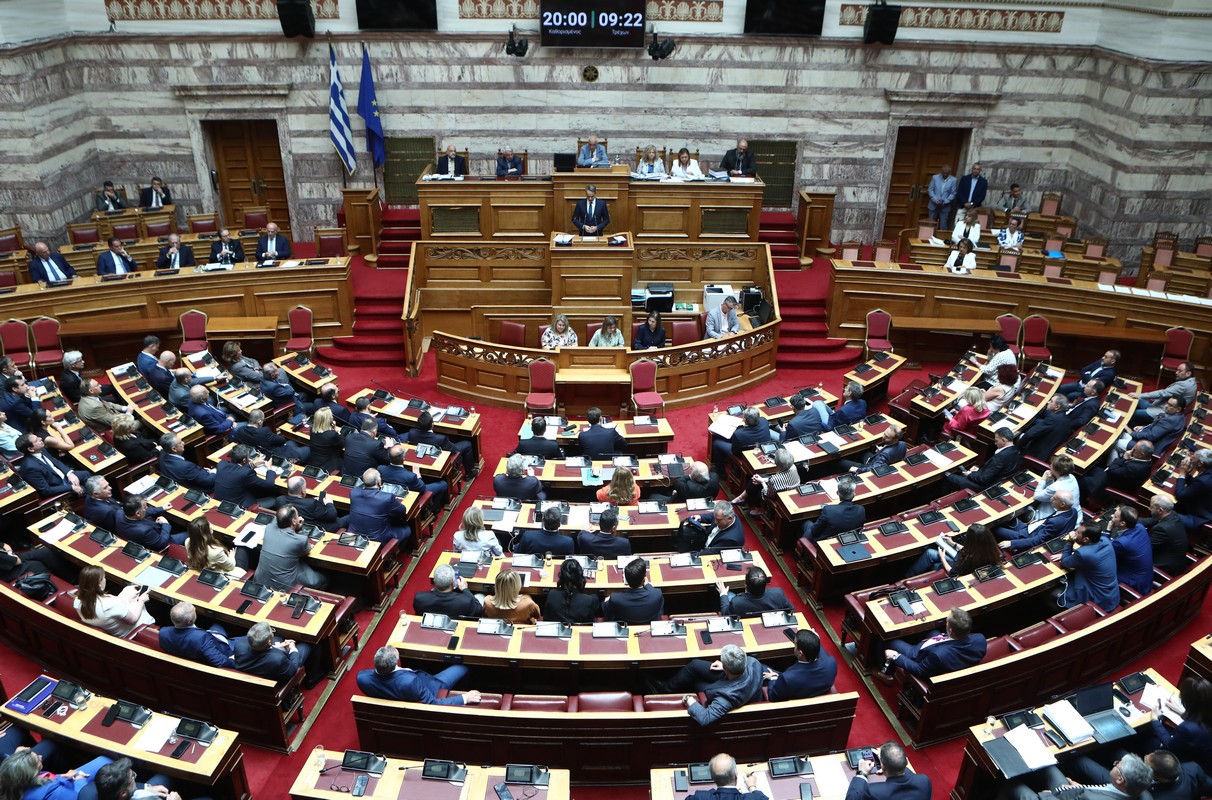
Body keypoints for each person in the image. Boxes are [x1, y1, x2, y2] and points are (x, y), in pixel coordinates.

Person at [655, 643, 767, 725]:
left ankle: (661, 690)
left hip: (729, 688)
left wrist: (689, 699)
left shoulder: (728, 697)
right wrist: (724, 667)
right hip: (734, 676)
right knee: (695, 665)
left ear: (727, 668)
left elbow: (705, 719)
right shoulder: (754, 663)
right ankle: (665, 687)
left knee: (694, 683)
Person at [882, 608, 986, 681]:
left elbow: (919, 670)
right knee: (933, 631)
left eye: (947, 622)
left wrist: (896, 656)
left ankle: (884, 673)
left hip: (919, 657)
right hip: (947, 649)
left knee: (889, 641)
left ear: (951, 630)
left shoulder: (938, 655)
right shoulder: (980, 639)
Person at [356, 646, 481, 705]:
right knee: (464, 667)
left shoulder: (362, 678)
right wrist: (464, 698)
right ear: (394, 663)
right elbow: (432, 703)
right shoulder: (409, 682)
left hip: (405, 690)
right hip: (434, 687)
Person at [1145, 676, 1212, 774]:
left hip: (1196, 766)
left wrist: (1154, 719)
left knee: (1149, 739)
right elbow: (1200, 719)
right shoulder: (1206, 711)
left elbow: (1170, 745)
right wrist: (1180, 711)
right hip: (1205, 755)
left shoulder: (1187, 728)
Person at [255, 506, 327, 591]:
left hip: (260, 580)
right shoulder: (301, 540)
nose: (299, 517)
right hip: (284, 586)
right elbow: (304, 551)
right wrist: (298, 528)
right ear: (293, 521)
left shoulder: (269, 528)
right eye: (297, 516)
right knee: (323, 579)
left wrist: (294, 526)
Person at [232, 621, 322, 688]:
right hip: (275, 679)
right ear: (269, 642)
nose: (272, 632)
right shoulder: (278, 659)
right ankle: (311, 680)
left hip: (258, 669)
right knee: (311, 643)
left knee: (278, 638)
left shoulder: (239, 645)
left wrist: (279, 645)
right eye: (271, 631)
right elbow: (293, 668)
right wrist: (292, 649)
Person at [1058, 520, 1120, 613]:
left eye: (1078, 532)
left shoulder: (1083, 554)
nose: (1075, 533)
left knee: (1056, 594)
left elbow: (1065, 562)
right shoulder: (1106, 541)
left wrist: (1070, 542)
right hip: (1111, 596)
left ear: (1086, 539)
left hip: (1097, 600)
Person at [73, 566, 153, 638]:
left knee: (128, 590)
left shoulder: (77, 601)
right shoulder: (110, 605)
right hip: (125, 631)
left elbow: (114, 608)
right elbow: (133, 620)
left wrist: (127, 600)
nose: (105, 579)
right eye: (104, 577)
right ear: (99, 584)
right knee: (138, 602)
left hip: (108, 623)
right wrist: (141, 600)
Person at [0, 749, 112, 800]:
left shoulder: (12, 784)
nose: (41, 757)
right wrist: (79, 779)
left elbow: (45, 777)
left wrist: (60, 777)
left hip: (63, 782)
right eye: (37, 760)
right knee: (106, 761)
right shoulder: (51, 793)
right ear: (31, 773)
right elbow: (80, 796)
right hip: (76, 791)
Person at [907, 522, 1003, 578]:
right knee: (931, 555)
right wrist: (953, 543)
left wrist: (942, 558)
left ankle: (907, 578)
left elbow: (953, 572)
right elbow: (968, 551)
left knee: (931, 555)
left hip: (962, 568)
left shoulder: (971, 559)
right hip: (962, 560)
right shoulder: (990, 548)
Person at [996, 490, 1079, 552]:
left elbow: (1037, 541)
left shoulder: (1055, 522)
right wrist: (1038, 522)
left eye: (1054, 498)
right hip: (1033, 528)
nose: (1051, 498)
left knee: (995, 529)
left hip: (1026, 537)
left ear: (1062, 504)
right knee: (1011, 520)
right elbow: (1052, 518)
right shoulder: (1073, 511)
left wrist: (1012, 543)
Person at [765, 630, 837, 701]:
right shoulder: (831, 663)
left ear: (800, 653)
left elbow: (772, 697)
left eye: (795, 644)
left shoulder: (787, 678)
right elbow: (819, 649)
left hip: (795, 699)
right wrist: (813, 639)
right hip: (816, 693)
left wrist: (773, 678)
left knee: (762, 667)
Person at [1080, 439, 1153, 507]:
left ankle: (1083, 504)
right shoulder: (1148, 462)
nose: (1131, 449)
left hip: (1104, 487)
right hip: (1112, 477)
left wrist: (1124, 458)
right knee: (1090, 468)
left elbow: (1111, 471)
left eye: (1134, 449)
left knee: (1080, 478)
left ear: (1141, 454)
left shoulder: (1135, 469)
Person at [846, 741, 931, 800]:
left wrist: (862, 773)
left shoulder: (873, 791)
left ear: (883, 767)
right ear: (906, 761)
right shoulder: (924, 780)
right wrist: (890, 762)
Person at [158, 601, 232, 668]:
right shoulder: (201, 638)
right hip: (225, 649)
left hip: (201, 643)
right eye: (194, 611)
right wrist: (234, 661)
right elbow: (220, 662)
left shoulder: (163, 632)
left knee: (218, 625)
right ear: (189, 622)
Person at [944, 426, 1020, 491]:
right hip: (993, 482)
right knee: (960, 472)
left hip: (982, 486)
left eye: (996, 441)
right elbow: (993, 471)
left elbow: (983, 479)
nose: (995, 443)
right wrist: (978, 470)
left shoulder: (1000, 457)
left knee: (947, 476)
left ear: (1003, 440)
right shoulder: (1015, 451)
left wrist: (969, 474)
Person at [347, 468, 412, 543]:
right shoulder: (387, 498)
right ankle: (394, 549)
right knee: (406, 530)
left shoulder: (353, 492)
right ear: (379, 482)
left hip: (354, 536)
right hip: (377, 539)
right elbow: (402, 511)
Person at [16, 433, 86, 497]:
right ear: (31, 449)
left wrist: (69, 473)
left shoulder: (42, 450)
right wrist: (71, 487)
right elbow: (46, 491)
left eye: (37, 437)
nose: (40, 438)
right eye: (36, 440)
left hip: (64, 476)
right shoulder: (30, 468)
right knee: (87, 490)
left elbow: (57, 462)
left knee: (86, 474)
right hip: (59, 486)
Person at [409, 410, 477, 476]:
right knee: (467, 444)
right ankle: (469, 473)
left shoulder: (412, 433)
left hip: (422, 455)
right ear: (432, 424)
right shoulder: (441, 439)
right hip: (438, 458)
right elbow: (454, 450)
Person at [214, 444, 280, 509]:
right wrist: (269, 469)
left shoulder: (221, 464)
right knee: (275, 498)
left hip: (220, 501)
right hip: (236, 506)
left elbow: (236, 470)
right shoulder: (246, 473)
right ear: (244, 460)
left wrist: (252, 464)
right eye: (248, 457)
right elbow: (269, 485)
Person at [1130, 361, 1196, 425]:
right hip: (1161, 404)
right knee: (1136, 401)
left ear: (1188, 373)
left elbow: (1162, 393)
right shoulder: (1191, 382)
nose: (1176, 373)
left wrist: (1140, 395)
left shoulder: (1185, 385)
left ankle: (1130, 427)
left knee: (1133, 413)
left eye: (1180, 371)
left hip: (1163, 412)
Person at [86, 756, 183, 800]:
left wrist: (147, 788)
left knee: (165, 776)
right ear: (123, 794)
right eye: (133, 777)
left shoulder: (87, 791)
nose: (135, 777)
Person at [234, 408, 310, 463]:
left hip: (259, 455)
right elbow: (282, 440)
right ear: (259, 421)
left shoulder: (240, 431)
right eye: (263, 420)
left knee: (292, 442)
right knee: (308, 448)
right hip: (278, 458)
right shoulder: (263, 432)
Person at [1116, 397, 1185, 456]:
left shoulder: (1171, 420)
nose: (1166, 406)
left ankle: (1116, 464)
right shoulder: (1178, 416)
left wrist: (1132, 433)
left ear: (1178, 409)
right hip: (1146, 437)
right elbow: (1157, 428)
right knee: (1120, 435)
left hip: (1148, 448)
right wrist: (1143, 427)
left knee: (1116, 443)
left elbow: (1150, 436)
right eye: (1167, 403)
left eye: (1170, 405)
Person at [603, 558, 664, 624]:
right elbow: (653, 592)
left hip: (624, 624)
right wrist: (647, 585)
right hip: (648, 623)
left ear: (626, 579)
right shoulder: (657, 594)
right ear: (644, 579)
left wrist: (607, 599)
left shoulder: (615, 598)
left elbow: (606, 610)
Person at [804, 476, 865, 541]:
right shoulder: (861, 510)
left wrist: (829, 508)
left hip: (825, 540)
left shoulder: (828, 510)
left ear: (837, 493)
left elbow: (814, 531)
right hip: (848, 539)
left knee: (807, 523)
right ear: (854, 494)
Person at [1110, 505, 1153, 596]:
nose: (1111, 517)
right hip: (1145, 579)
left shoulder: (1121, 543)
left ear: (1122, 523)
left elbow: (1103, 550)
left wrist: (1107, 530)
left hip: (1133, 584)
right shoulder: (1140, 527)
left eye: (1115, 516)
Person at [734, 447, 799, 506]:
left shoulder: (774, 479)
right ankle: (741, 498)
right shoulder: (793, 467)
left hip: (778, 497)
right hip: (789, 489)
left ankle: (753, 505)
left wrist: (762, 482)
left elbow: (767, 493)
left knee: (755, 484)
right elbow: (782, 480)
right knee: (759, 477)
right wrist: (762, 480)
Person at [543, 558, 602, 624]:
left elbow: (546, 619)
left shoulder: (552, 595)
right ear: (580, 576)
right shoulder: (589, 600)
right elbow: (590, 623)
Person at [1143, 495, 1189, 577]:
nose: (1149, 508)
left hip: (1162, 569)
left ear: (1160, 510)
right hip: (1174, 561)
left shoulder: (1162, 529)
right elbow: (1151, 521)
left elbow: (1143, 549)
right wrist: (1131, 520)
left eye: (1151, 507)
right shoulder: (1172, 515)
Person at [116, 496, 186, 550]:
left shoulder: (120, 513)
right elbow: (162, 543)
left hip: (153, 531)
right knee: (189, 533)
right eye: (145, 507)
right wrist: (165, 524)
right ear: (138, 513)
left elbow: (144, 512)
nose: (147, 507)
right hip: (165, 540)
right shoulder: (144, 531)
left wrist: (162, 508)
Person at [685, 754, 766, 800]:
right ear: (735, 776)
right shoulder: (751, 798)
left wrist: (712, 792)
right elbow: (762, 798)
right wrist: (752, 787)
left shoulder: (701, 797)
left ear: (713, 778)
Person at [414, 564, 483, 618]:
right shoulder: (466, 601)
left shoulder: (419, 598)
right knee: (480, 596)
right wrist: (465, 590)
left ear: (434, 581)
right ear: (453, 582)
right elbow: (479, 611)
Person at [717, 566, 790, 616]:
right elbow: (790, 611)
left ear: (745, 585)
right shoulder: (778, 594)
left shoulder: (736, 603)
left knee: (729, 594)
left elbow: (725, 613)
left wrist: (723, 593)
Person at [1017, 395, 1073, 461]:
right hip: (1046, 453)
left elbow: (1029, 434)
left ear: (1057, 407)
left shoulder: (1053, 419)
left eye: (1051, 401)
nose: (1048, 402)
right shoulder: (1066, 420)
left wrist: (1017, 448)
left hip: (1034, 454)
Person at [1030, 453, 1081, 519]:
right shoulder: (1072, 477)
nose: (1050, 465)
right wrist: (1050, 480)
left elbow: (1037, 496)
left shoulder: (1055, 488)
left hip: (1055, 518)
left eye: (1052, 464)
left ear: (1057, 471)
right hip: (1074, 516)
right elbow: (1052, 491)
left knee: (1028, 513)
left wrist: (1043, 479)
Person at [1173, 449, 1212, 534]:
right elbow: (1197, 486)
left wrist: (1182, 474)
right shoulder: (1208, 472)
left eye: (1193, 458)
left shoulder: (1203, 480)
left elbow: (1180, 496)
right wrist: (1187, 474)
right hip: (1204, 507)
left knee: (1162, 511)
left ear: (1200, 463)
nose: (1190, 459)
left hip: (1198, 518)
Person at [841, 425, 906, 474]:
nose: (883, 437)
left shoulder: (885, 454)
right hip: (881, 461)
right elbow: (894, 453)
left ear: (895, 440)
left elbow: (874, 469)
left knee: (841, 462)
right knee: (863, 451)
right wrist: (883, 449)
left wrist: (857, 470)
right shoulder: (903, 444)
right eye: (884, 434)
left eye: (887, 437)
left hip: (869, 467)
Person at [305, 406, 344, 472]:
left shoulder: (312, 430)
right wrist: (336, 430)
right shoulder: (332, 435)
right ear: (328, 420)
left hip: (315, 461)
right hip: (328, 465)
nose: (332, 417)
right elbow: (343, 444)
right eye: (331, 416)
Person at [927, 163, 957, 228]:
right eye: (943, 173)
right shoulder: (935, 178)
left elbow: (953, 193)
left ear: (949, 172)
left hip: (945, 206)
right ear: (941, 171)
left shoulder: (953, 180)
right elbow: (930, 189)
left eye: (947, 173)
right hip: (933, 205)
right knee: (930, 224)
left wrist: (946, 201)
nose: (945, 174)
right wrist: (934, 199)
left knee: (943, 225)